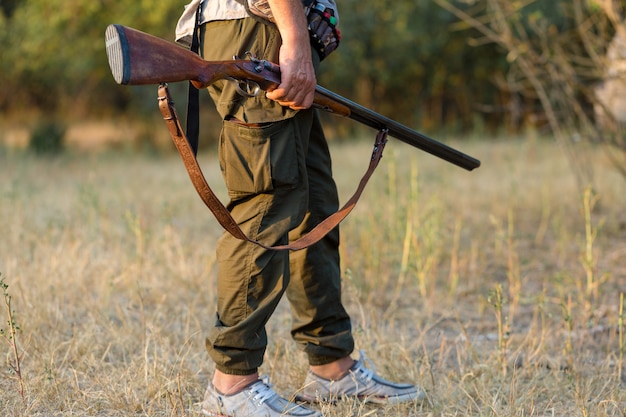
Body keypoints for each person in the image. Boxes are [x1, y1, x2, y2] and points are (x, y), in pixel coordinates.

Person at [175, 0, 426, 415]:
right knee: (265, 203)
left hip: (269, 27)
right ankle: (232, 385)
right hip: (261, 29)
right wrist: (293, 39)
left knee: (314, 204)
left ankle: (332, 367)